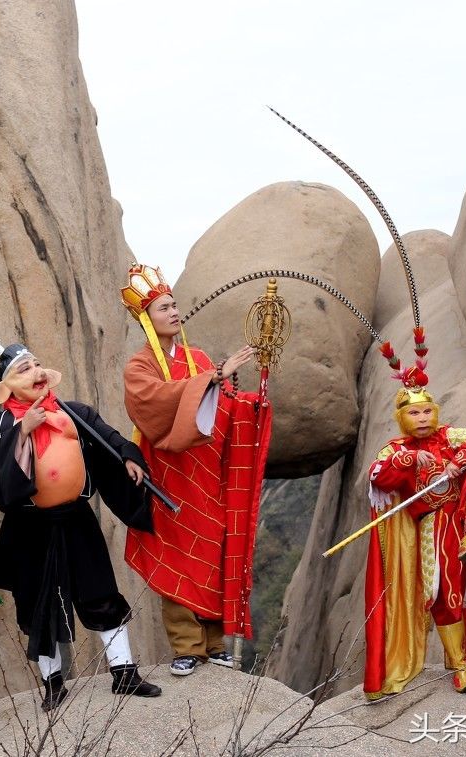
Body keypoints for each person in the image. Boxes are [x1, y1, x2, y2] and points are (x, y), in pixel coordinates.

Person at [0, 341, 162, 709]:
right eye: (25, 368)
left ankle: (124, 672)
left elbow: (106, 435)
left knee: (100, 590)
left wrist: (127, 456)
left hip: (76, 517)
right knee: (37, 605)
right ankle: (53, 682)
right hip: (29, 527)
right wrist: (22, 431)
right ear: (7, 385)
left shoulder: (71, 411)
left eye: (39, 364)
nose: (37, 372)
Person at [121, 262, 271, 676]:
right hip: (169, 477)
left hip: (207, 476)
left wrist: (248, 405)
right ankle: (187, 646)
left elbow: (220, 410)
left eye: (174, 305)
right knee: (178, 559)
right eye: (162, 308)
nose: (173, 312)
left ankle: (216, 643)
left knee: (213, 554)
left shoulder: (199, 358)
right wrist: (212, 378)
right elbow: (151, 404)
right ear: (146, 319)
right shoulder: (140, 366)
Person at [362, 334, 466, 698]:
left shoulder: (451, 435)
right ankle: (459, 665)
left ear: (436, 412)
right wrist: (412, 460)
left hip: (463, 516)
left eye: (427, 411)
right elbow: (378, 477)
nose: (422, 418)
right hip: (432, 525)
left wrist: (463, 457)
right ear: (401, 417)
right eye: (413, 413)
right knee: (445, 591)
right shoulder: (395, 449)